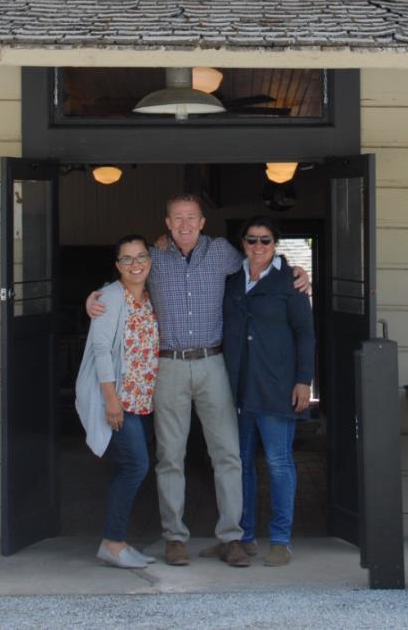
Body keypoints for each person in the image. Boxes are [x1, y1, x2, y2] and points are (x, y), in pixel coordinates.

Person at [86, 193, 309, 567]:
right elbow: (125, 279)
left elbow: (261, 259)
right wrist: (90, 299)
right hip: (168, 366)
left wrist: (294, 271)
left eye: (192, 218)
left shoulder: (222, 252)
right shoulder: (153, 258)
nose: (185, 224)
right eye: (178, 219)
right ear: (168, 225)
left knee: (227, 453)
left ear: (203, 222)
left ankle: (232, 537)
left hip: (213, 363)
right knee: (169, 456)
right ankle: (175, 537)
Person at [221, 216, 314, 567]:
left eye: (265, 241)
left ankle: (280, 539)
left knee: (278, 463)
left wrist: (304, 380)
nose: (258, 247)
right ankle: (244, 536)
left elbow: (305, 333)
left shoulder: (290, 282)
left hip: (277, 387)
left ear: (275, 244)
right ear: (242, 243)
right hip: (238, 386)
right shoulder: (231, 280)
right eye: (251, 240)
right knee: (240, 464)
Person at [73, 234, 160, 568]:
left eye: (141, 257)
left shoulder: (151, 297)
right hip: (119, 399)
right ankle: (112, 543)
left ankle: (117, 541)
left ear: (150, 262)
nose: (135, 264)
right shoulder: (109, 297)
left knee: (131, 465)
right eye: (127, 259)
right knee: (135, 465)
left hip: (140, 399)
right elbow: (100, 350)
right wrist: (111, 401)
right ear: (117, 266)